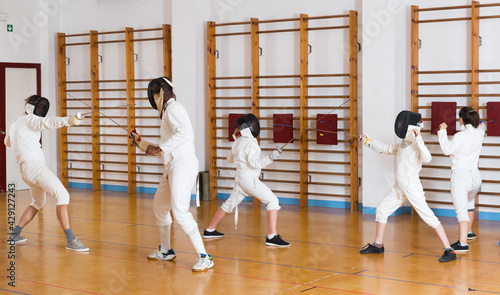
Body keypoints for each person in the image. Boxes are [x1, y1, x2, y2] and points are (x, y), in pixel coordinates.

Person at [129, 77, 213, 272]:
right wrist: (140, 142)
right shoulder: (168, 111)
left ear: (159, 93)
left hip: (182, 166)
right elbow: (166, 144)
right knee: (160, 206)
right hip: (171, 168)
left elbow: (185, 134)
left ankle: (204, 256)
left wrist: (158, 148)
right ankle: (166, 251)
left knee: (180, 211)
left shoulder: (174, 109)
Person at [359, 110, 456, 262]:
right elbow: (386, 149)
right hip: (399, 188)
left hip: (412, 189)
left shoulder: (417, 146)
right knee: (382, 210)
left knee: (429, 218)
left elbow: (428, 158)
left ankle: (449, 250)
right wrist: (368, 141)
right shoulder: (402, 145)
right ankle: (378, 245)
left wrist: (419, 139)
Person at [5, 95, 88, 251]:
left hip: (24, 171)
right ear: (32, 107)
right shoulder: (30, 119)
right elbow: (47, 123)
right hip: (34, 167)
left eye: (43, 107)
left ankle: (15, 235)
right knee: (63, 195)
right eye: (40, 107)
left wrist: (16, 136)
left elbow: (7, 142)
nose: (41, 110)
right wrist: (69, 120)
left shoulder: (17, 121)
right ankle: (71, 240)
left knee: (38, 201)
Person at [203, 114, 290, 247]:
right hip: (249, 180)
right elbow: (255, 163)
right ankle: (272, 236)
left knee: (229, 204)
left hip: (240, 178)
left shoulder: (238, 141)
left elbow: (229, 159)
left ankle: (210, 230)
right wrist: (271, 157)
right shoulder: (250, 144)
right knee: (273, 201)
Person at [438, 107, 485, 252]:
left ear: (461, 120)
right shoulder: (480, 132)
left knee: (461, 210)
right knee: (469, 202)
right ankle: (469, 232)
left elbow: (446, 149)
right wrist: (480, 122)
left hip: (461, 176)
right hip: (476, 177)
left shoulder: (460, 136)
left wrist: (442, 131)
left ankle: (463, 243)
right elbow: (483, 125)